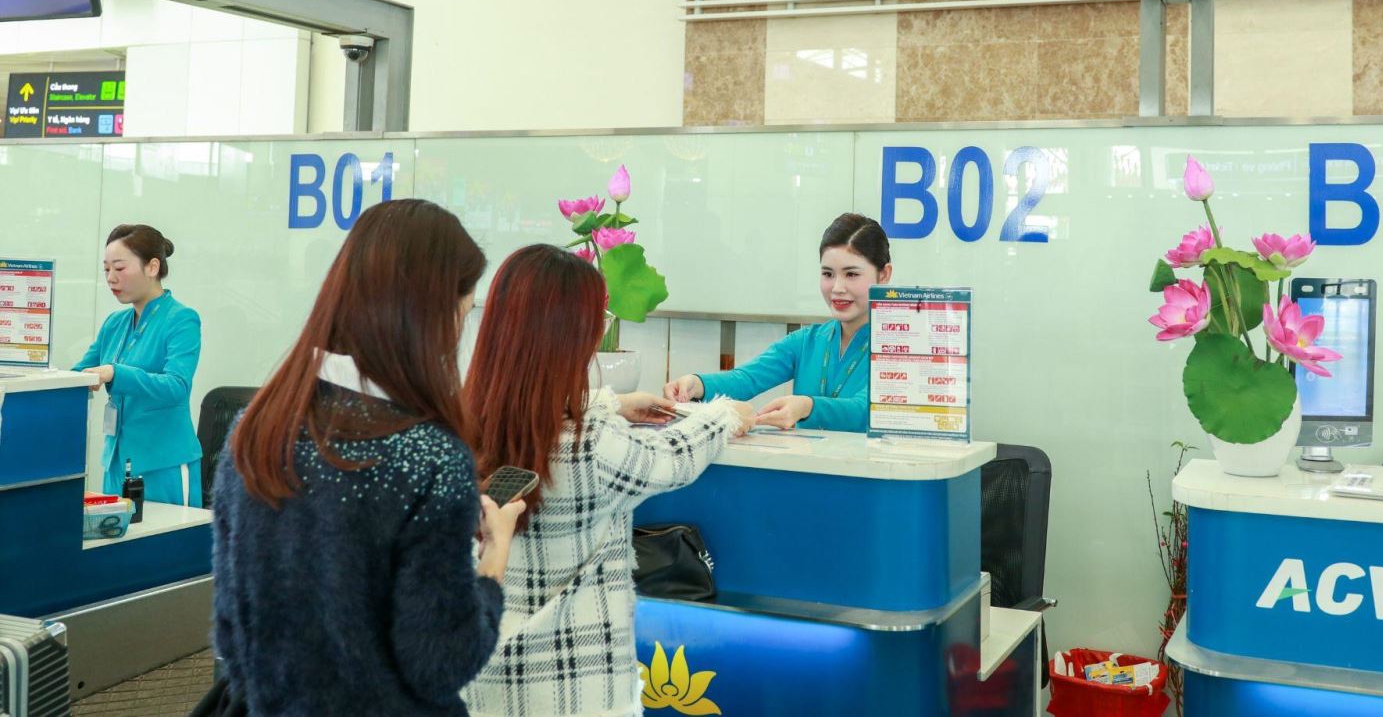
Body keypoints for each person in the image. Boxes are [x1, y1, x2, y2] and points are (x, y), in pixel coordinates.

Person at [210, 199, 523, 717]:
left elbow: (232, 633)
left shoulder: (255, 430)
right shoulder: (430, 456)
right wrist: (493, 561)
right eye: (464, 312)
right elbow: (441, 662)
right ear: (434, 315)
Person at [461, 244, 753, 717]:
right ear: (575, 336)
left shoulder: (465, 425)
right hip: (575, 689)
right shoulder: (591, 444)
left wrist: (610, 401)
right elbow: (673, 458)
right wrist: (726, 414)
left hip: (483, 679)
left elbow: (536, 402)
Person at [665, 212, 892, 432]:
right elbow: (747, 378)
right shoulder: (807, 341)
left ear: (883, 275)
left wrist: (807, 406)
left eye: (851, 274)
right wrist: (697, 385)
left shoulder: (899, 348)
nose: (837, 288)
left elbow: (867, 409)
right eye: (828, 274)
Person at [73, 224, 203, 506]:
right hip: (116, 462)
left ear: (152, 267)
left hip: (162, 464)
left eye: (120, 268)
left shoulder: (181, 319)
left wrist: (115, 373)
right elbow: (77, 374)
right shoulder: (114, 323)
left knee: (169, 536)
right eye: (106, 269)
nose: (111, 278)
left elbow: (177, 386)